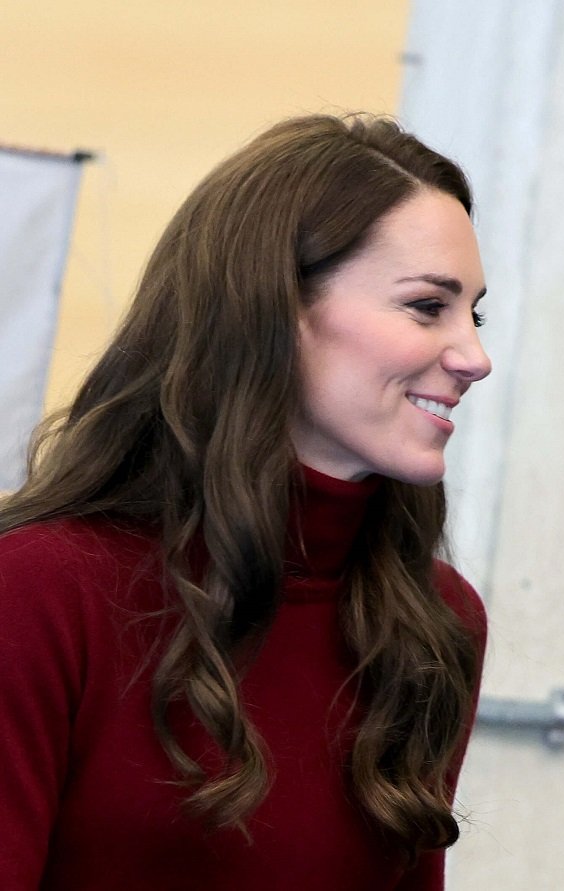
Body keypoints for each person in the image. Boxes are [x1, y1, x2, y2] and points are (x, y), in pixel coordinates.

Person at [0, 113, 492, 889]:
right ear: (278, 311)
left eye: (476, 312)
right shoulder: (37, 592)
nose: (474, 356)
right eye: (428, 306)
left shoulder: (436, 621)